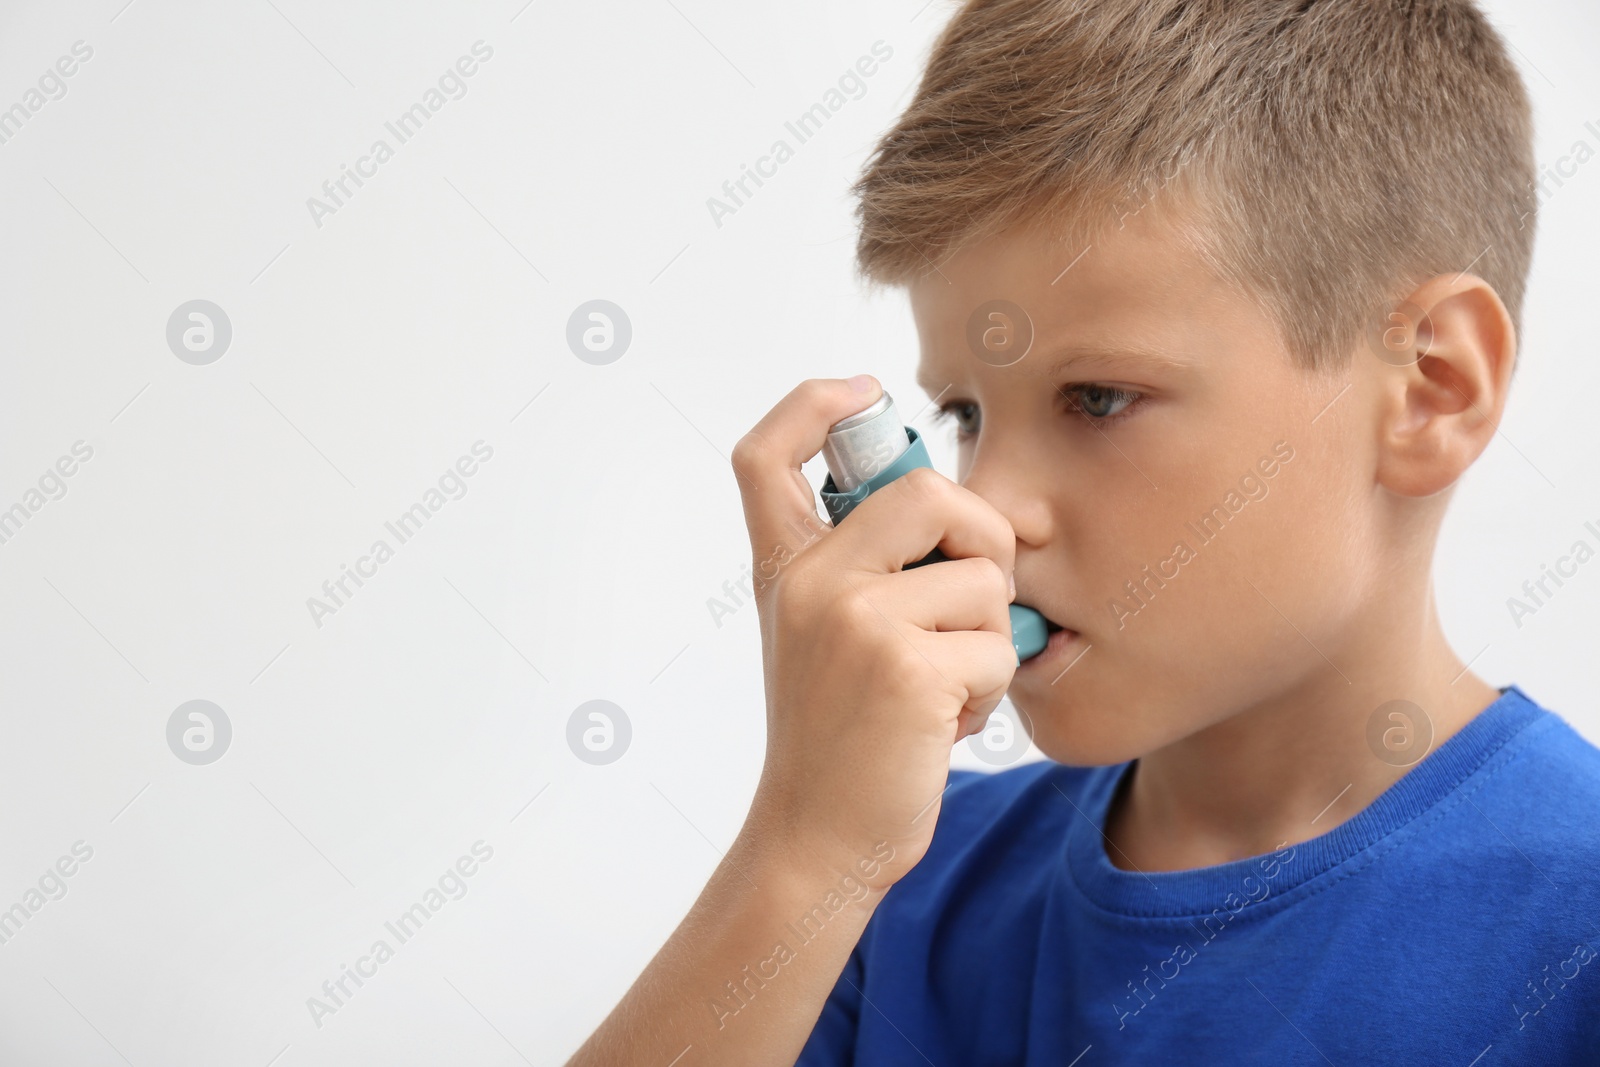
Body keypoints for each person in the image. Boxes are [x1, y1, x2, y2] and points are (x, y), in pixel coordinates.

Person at [567, 0, 1600, 1062]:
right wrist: (803, 847)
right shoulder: (891, 890)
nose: (988, 510)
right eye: (964, 415)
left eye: (1097, 397)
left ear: (1430, 389)